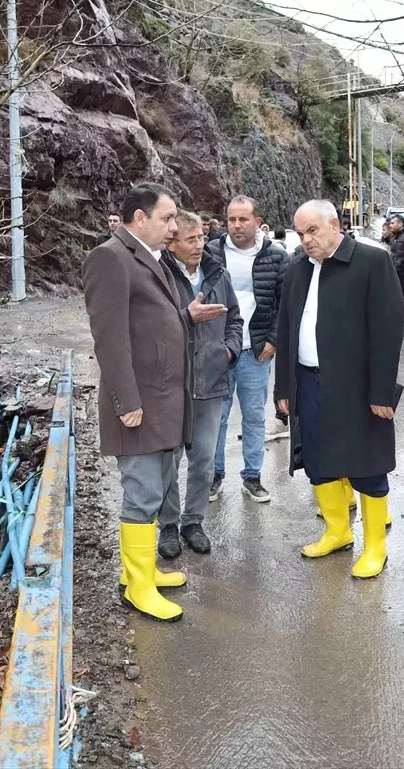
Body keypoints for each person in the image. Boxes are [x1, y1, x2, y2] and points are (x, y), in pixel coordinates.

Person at [275, 200, 403, 578]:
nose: (306, 240)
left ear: (335, 224)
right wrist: (284, 387)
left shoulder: (371, 261)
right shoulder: (297, 269)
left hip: (357, 387)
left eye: (312, 231)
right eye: (300, 234)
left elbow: (388, 330)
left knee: (367, 465)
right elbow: (285, 331)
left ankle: (375, 547)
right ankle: (337, 532)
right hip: (307, 381)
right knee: (317, 459)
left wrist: (382, 393)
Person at [83, 183, 192, 623]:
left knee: (159, 483)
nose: (173, 227)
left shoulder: (150, 257)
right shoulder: (110, 257)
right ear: (139, 217)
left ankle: (141, 571)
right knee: (143, 493)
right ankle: (138, 587)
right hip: (140, 403)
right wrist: (126, 400)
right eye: (167, 219)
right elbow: (109, 338)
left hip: (162, 398)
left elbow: (152, 321)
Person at [157, 211, 243, 558]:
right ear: (172, 242)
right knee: (168, 459)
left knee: (204, 459)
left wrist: (229, 351)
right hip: (172, 385)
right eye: (190, 239)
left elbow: (235, 318)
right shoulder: (159, 274)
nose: (198, 245)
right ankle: (168, 526)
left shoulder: (216, 273)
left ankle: (193, 522)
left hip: (210, 381)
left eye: (201, 238)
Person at [205, 196, 291, 503]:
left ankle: (252, 477)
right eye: (231, 219)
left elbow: (285, 304)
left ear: (257, 222)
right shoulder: (211, 252)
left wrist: (274, 339)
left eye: (243, 219)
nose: (237, 225)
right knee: (217, 416)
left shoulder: (277, 256)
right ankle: (213, 477)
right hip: (219, 350)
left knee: (254, 416)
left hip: (255, 351)